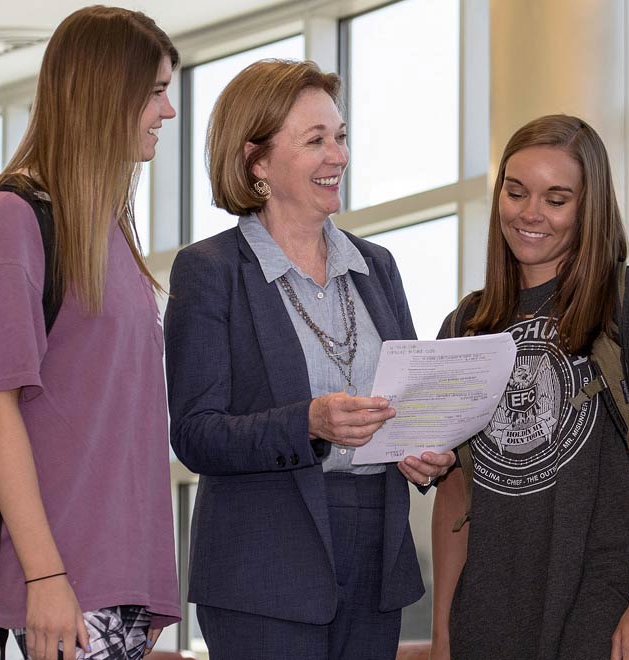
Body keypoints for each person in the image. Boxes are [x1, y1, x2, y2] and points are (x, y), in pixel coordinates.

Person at [163, 58, 456, 660]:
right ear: (258, 161)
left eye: (341, 137)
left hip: (377, 557)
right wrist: (309, 423)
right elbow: (194, 434)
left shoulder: (378, 267)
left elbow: (405, 401)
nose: (339, 156)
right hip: (263, 567)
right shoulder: (210, 271)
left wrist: (424, 446)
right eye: (316, 141)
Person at [0, 6, 182, 660]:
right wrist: (46, 577)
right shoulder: (10, 222)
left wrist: (149, 579)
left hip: (117, 584)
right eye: (156, 91)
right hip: (63, 584)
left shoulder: (107, 233)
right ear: (108, 92)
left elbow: (122, 419)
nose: (168, 111)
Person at [429, 114, 629, 660]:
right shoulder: (464, 326)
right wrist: (442, 637)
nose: (530, 214)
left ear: (589, 208)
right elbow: (454, 495)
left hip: (604, 612)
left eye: (556, 199)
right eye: (516, 191)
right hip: (486, 622)